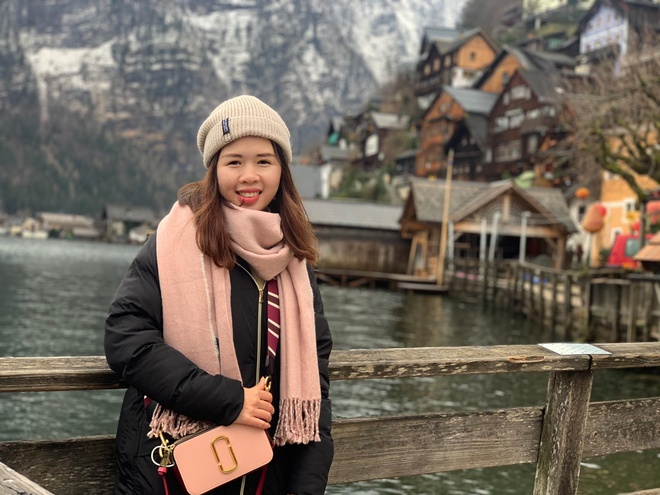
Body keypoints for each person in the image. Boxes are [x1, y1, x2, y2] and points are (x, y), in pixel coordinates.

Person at [104, 95, 334, 495]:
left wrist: (306, 487)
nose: (249, 176)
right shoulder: (174, 242)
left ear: (282, 170)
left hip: (264, 475)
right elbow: (127, 339)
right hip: (170, 472)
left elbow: (317, 383)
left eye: (264, 161)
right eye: (234, 162)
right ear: (214, 170)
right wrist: (230, 401)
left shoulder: (294, 259)